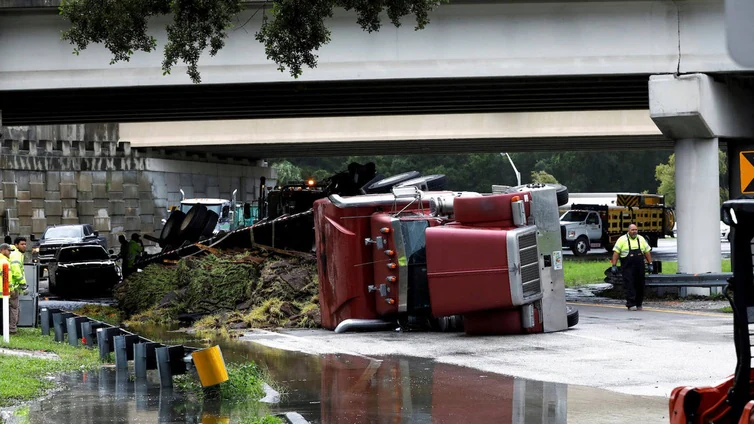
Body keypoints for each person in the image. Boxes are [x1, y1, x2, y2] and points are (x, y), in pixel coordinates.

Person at [611, 224, 653, 311]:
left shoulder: (641, 239)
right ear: (628, 231)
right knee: (630, 285)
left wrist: (650, 263)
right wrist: (614, 265)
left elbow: (647, 252)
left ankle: (639, 303)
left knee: (640, 285)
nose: (634, 231)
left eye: (636, 230)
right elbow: (616, 253)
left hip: (639, 267)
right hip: (627, 267)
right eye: (632, 230)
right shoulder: (622, 240)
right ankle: (631, 304)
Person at [8, 238, 27, 334]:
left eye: (25, 244)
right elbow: (16, 271)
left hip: (9, 285)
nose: (24, 246)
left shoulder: (11, 253)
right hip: (13, 287)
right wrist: (23, 283)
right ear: (16, 245)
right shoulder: (16, 255)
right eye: (22, 244)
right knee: (14, 308)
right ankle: (12, 329)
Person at [0, 244, 13, 334]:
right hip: (2, 292)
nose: (10, 253)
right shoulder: (4, 262)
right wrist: (11, 289)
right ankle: (2, 332)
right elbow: (8, 278)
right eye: (9, 251)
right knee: (2, 313)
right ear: (3, 250)